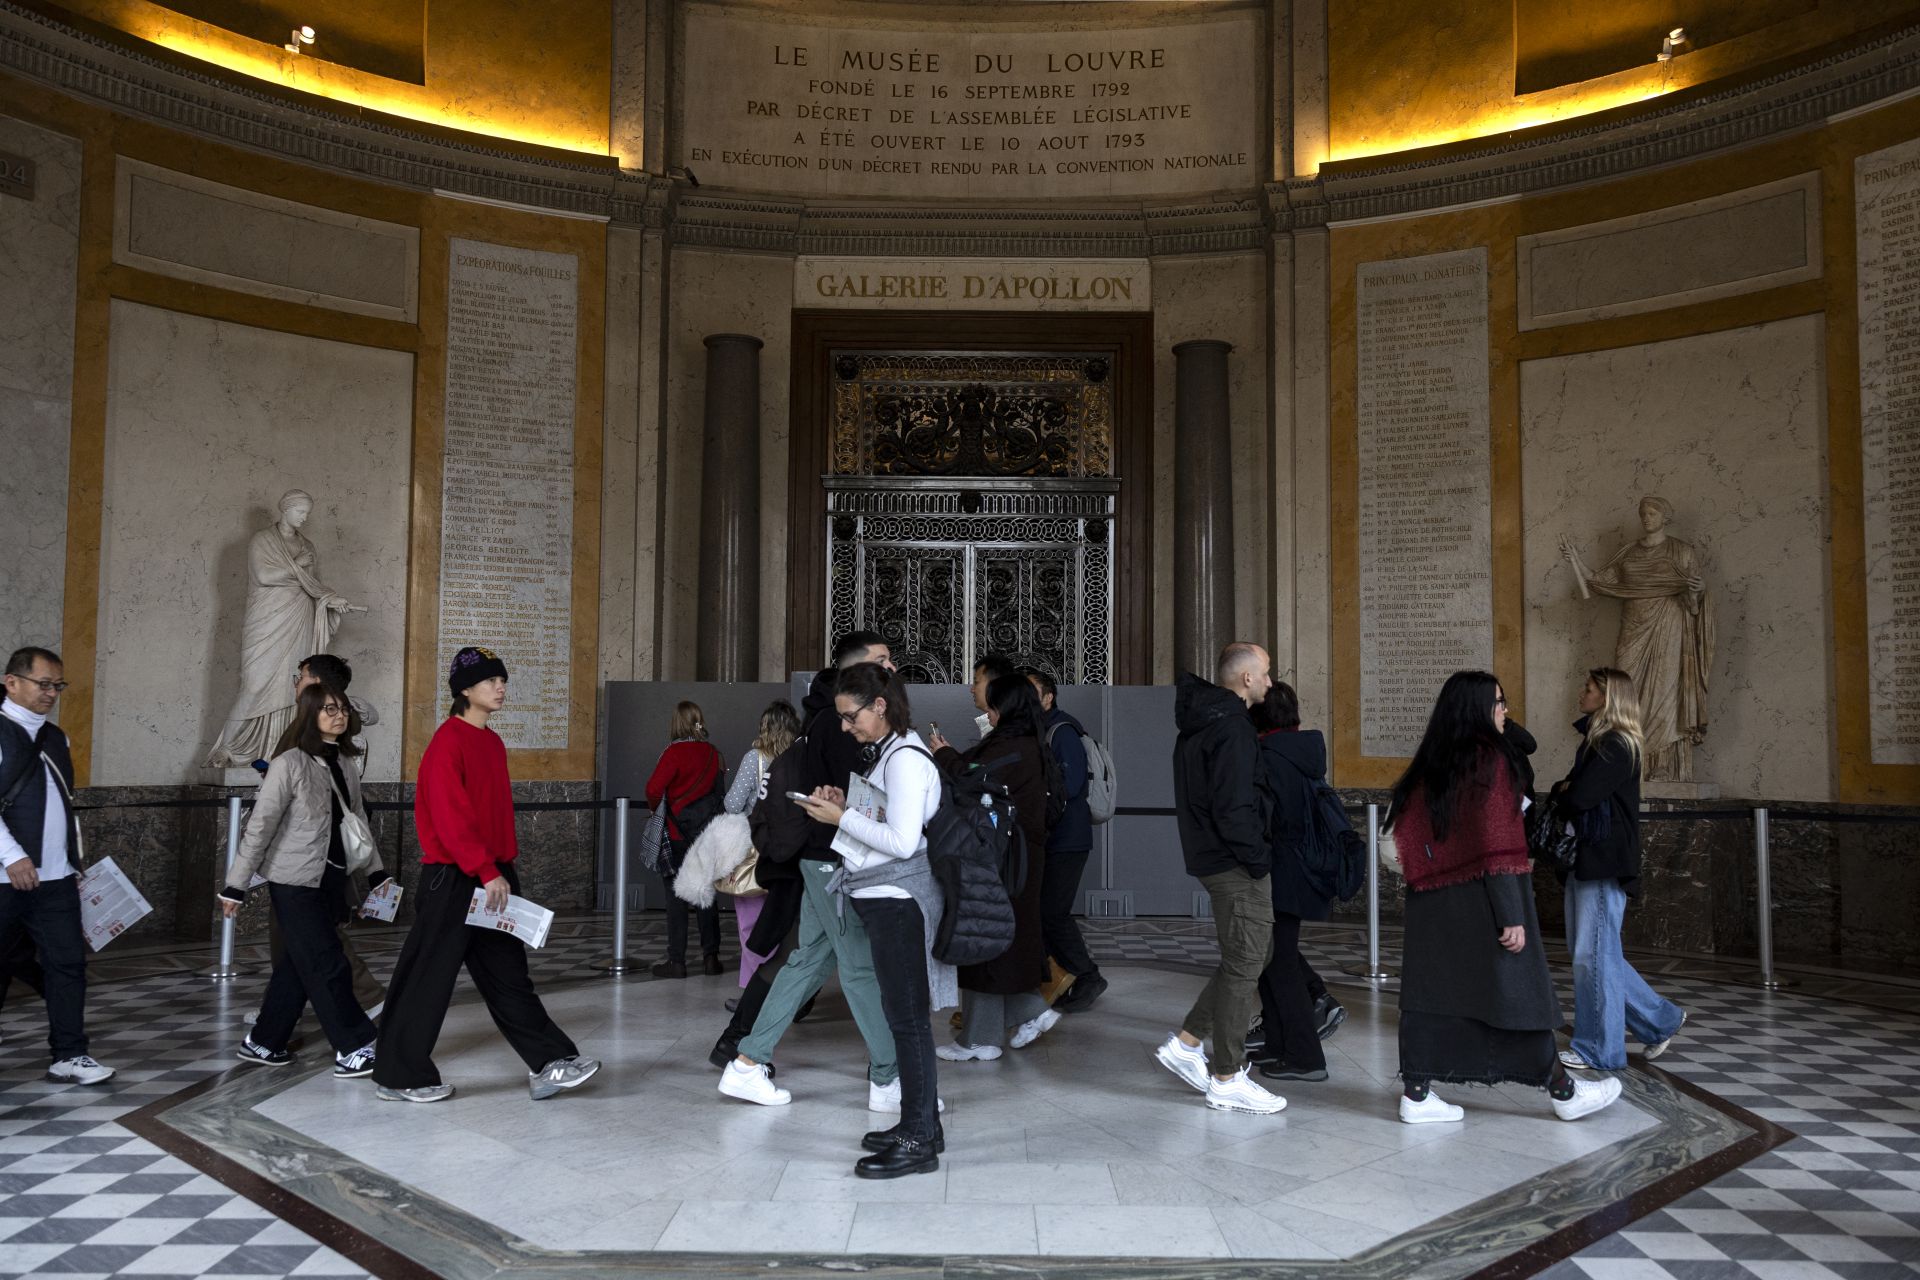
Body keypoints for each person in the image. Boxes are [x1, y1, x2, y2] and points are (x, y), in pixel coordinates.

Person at [1386, 670, 1621, 1125]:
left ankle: (1417, 1093)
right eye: (1498, 701)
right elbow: (1496, 840)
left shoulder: (1434, 760)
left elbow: (1413, 832)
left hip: (1434, 899)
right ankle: (1564, 1091)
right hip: (1481, 898)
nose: (1505, 710)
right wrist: (1510, 913)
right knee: (1518, 994)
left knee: (1432, 997)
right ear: (1477, 708)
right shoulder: (1490, 761)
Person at [371, 647, 599, 1104]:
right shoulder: (447, 743)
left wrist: (499, 871)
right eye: (491, 680)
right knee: (428, 978)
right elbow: (452, 819)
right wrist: (484, 870)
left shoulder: (491, 742)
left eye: (502, 680)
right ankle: (398, 1075)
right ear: (464, 689)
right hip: (455, 876)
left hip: (491, 874)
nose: (501, 688)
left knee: (508, 975)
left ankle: (548, 1062)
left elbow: (489, 815)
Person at [718, 632, 911, 1115]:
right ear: (855, 671)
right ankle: (888, 1079)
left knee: (807, 961)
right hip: (830, 857)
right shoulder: (839, 725)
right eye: (880, 661)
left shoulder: (828, 720)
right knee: (860, 966)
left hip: (824, 855)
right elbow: (858, 796)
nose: (890, 668)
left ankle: (746, 1063)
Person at [795, 662, 953, 1178]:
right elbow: (881, 826)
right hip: (885, 899)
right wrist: (845, 806)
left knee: (907, 1022)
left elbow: (904, 843)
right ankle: (921, 1124)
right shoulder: (888, 753)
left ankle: (918, 1139)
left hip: (900, 903)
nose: (845, 727)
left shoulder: (905, 759)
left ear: (879, 706)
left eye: (850, 716)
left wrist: (842, 819)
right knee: (902, 1019)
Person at [219, 682, 384, 1077]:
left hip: (331, 878)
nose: (339, 715)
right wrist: (235, 885)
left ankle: (264, 1041)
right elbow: (260, 827)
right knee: (328, 963)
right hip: (294, 881)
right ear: (309, 715)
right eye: (328, 709)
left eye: (342, 708)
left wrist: (377, 872)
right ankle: (354, 1045)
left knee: (296, 966)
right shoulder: (288, 763)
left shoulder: (345, 763)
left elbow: (356, 820)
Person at [1152, 642, 1286, 1116]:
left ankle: (1188, 1043)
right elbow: (1234, 807)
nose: (1271, 682)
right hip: (1234, 862)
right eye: (1266, 673)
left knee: (1252, 953)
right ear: (1247, 678)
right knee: (1247, 959)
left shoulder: (1204, 722)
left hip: (1216, 857)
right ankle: (1227, 1074)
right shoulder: (1230, 726)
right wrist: (1258, 859)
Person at [1552, 667, 1687, 1071]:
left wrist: (1566, 792)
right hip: (1590, 858)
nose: (1582, 692)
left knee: (1592, 956)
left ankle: (1597, 1049)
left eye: (1589, 688)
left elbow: (1578, 796)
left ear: (1608, 698)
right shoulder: (1600, 741)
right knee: (1595, 954)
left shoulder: (1615, 744)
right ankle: (1660, 1019)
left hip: (1602, 861)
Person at [0, 648, 113, 1084]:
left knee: (67, 964)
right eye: (43, 684)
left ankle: (69, 1054)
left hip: (55, 877)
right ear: (12, 682)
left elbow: (61, 806)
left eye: (57, 686)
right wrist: (13, 857)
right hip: (6, 877)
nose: (51, 693)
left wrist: (70, 859)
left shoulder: (57, 738)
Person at [929, 674, 1056, 1059]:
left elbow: (971, 776)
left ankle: (986, 1037)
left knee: (983, 935)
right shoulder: (1029, 742)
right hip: (1019, 856)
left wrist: (944, 755)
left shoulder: (1012, 746)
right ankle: (1011, 1021)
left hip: (999, 856)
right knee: (996, 939)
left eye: (991, 705)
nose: (988, 712)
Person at [263, 653, 385, 1018]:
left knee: (316, 935)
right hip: (304, 850)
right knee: (295, 935)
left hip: (310, 850)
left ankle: (366, 996)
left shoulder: (326, 728)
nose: (296, 683)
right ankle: (278, 1012)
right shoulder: (313, 724)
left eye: (301, 676)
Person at [205, 490, 365, 767]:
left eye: (307, 513)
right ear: (286, 510)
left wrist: (330, 600)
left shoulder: (308, 546)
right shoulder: (263, 540)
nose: (304, 518)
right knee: (255, 684)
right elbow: (263, 575)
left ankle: (282, 752)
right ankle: (227, 747)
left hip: (299, 616)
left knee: (296, 686)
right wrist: (297, 568)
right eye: (300, 512)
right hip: (267, 617)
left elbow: (311, 585)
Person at [1560, 496, 1715, 781]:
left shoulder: (1682, 552)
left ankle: (1661, 764)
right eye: (1643, 513)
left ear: (1664, 517)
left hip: (1668, 624)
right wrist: (1576, 561)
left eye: (1653, 512)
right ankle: (1631, 758)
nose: (1647, 517)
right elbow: (1598, 580)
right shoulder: (1629, 553)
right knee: (1625, 690)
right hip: (1633, 627)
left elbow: (1694, 602)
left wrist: (1697, 590)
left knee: (1664, 691)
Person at [1248, 681, 1335, 1083]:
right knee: (1271, 960)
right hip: (1297, 871)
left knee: (1279, 964)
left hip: (1278, 871)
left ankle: (1305, 1056)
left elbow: (1269, 821)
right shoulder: (1301, 751)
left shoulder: (1268, 757)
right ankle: (1279, 1044)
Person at [1027, 670, 1106, 1014]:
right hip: (1053, 838)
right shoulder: (1040, 729)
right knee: (1045, 912)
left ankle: (1087, 976)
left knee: (1053, 912)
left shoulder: (1062, 731)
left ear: (1049, 697)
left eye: (1034, 692)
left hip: (1067, 839)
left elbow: (1071, 786)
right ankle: (1057, 979)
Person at [721, 700, 801, 989]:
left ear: (765, 727)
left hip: (754, 851)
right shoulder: (798, 759)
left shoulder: (754, 758)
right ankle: (783, 987)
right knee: (785, 924)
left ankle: (754, 991)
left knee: (750, 924)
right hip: (790, 850)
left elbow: (732, 804)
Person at [646, 702, 726, 978]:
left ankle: (677, 961)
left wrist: (660, 810)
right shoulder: (714, 753)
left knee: (676, 896)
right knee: (706, 894)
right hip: (705, 835)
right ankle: (711, 958)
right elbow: (719, 794)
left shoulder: (673, 753)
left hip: (677, 832)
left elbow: (654, 789)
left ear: (676, 723)